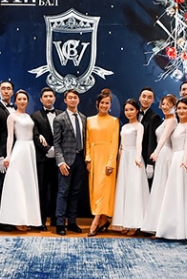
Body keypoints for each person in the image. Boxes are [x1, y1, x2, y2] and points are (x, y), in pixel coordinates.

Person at [155, 98, 187, 240]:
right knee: (173, 193)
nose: (181, 111)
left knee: (182, 193)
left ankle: (183, 230)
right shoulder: (177, 124)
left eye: (184, 108)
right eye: (179, 108)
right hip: (174, 158)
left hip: (182, 160)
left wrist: (185, 159)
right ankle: (171, 228)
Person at [0, 90, 42, 230]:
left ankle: (28, 218)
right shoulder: (12, 116)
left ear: (27, 101)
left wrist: (40, 136)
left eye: (24, 99)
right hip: (19, 149)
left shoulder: (28, 116)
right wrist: (8, 155)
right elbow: (10, 137)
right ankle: (17, 219)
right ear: (16, 101)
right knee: (17, 183)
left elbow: (33, 132)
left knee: (28, 184)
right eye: (19, 99)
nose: (22, 101)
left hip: (30, 150)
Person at [141, 94, 177, 234]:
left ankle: (166, 225)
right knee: (159, 187)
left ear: (174, 106)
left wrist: (156, 151)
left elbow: (164, 138)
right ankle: (157, 223)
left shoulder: (172, 121)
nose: (165, 107)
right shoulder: (164, 120)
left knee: (165, 187)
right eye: (163, 104)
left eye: (168, 104)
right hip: (161, 156)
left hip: (166, 155)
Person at [53, 89, 87, 235]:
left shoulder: (83, 118)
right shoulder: (59, 119)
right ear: (65, 100)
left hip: (80, 159)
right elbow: (56, 143)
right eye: (70, 98)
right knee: (63, 192)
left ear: (78, 100)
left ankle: (72, 222)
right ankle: (60, 223)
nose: (73, 100)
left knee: (75, 192)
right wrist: (60, 162)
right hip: (66, 161)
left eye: (75, 98)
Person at [86, 89, 120, 236]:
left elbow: (114, 143)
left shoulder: (114, 121)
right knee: (96, 191)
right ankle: (104, 220)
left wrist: (111, 162)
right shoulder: (89, 120)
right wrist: (88, 159)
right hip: (94, 158)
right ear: (97, 104)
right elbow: (87, 141)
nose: (104, 105)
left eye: (107, 103)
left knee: (104, 190)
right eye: (102, 103)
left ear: (110, 105)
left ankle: (96, 221)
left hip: (107, 158)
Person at [111, 99, 147, 235]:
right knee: (124, 189)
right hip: (124, 158)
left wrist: (137, 157)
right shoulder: (124, 126)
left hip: (134, 158)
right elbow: (121, 145)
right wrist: (119, 160)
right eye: (126, 110)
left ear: (137, 110)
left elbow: (139, 143)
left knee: (134, 189)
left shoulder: (139, 126)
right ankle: (124, 222)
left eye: (131, 109)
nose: (129, 112)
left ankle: (134, 224)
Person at [31, 87, 62, 229]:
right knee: (42, 190)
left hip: (59, 159)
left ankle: (56, 219)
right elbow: (35, 135)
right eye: (46, 96)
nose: (48, 98)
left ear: (54, 98)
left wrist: (58, 151)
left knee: (57, 189)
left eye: (51, 96)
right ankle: (41, 220)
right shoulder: (35, 116)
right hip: (43, 159)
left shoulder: (61, 114)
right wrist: (48, 149)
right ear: (41, 99)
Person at [138, 87, 162, 187]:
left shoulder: (154, 117)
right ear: (139, 98)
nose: (146, 99)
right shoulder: (133, 114)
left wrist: (150, 163)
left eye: (149, 97)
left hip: (145, 158)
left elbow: (152, 142)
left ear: (152, 100)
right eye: (144, 96)